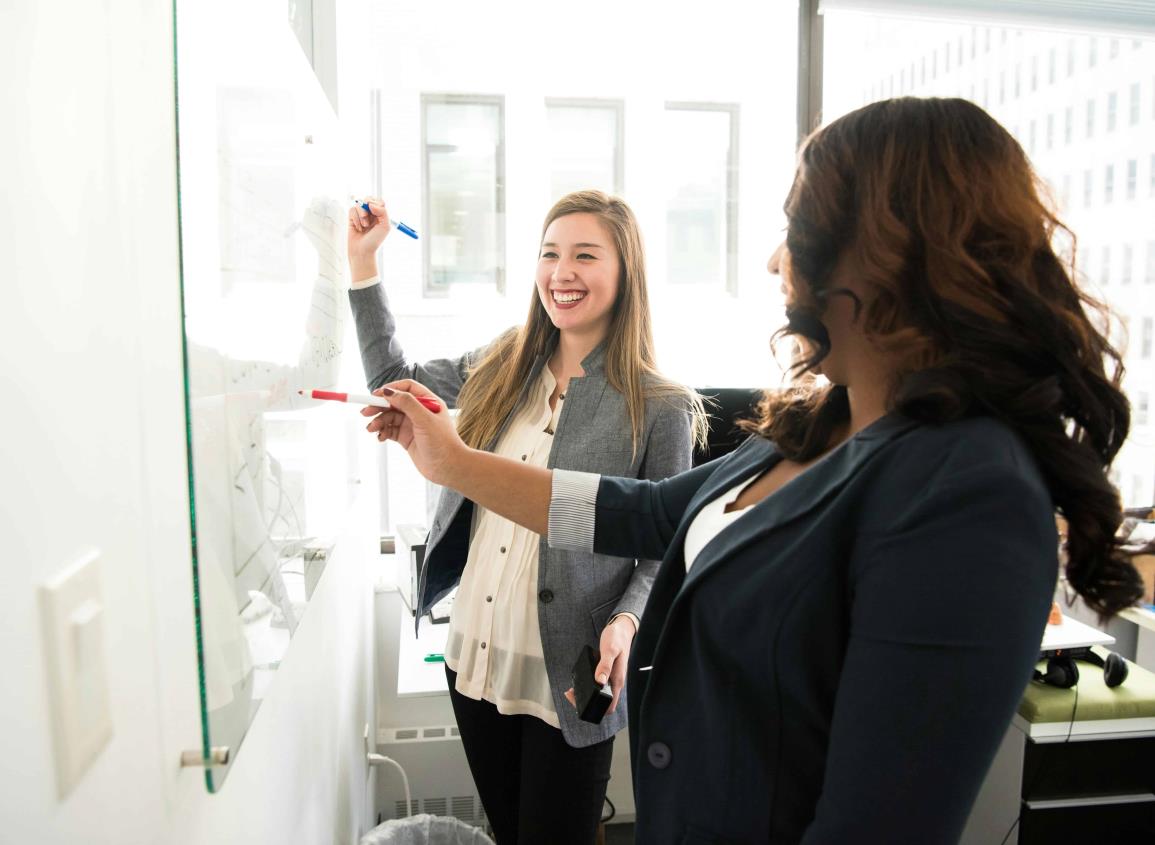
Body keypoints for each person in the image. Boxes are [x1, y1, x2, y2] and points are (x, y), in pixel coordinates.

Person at [359, 98, 1144, 843]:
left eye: (795, 228)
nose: (774, 260)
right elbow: (643, 512)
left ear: (887, 251)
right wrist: (454, 463)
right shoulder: (814, 422)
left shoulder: (967, 491)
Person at [347, 190, 706, 843]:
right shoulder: (503, 360)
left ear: (625, 271)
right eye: (549, 254)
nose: (560, 272)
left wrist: (626, 620)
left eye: (583, 255)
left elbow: (666, 542)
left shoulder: (660, 404)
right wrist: (363, 265)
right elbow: (393, 379)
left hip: (573, 669)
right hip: (475, 653)